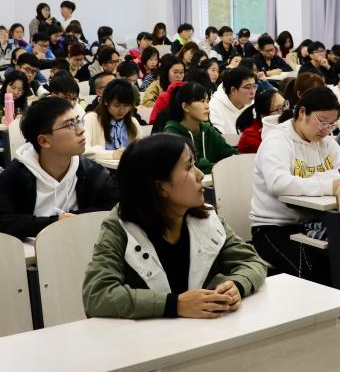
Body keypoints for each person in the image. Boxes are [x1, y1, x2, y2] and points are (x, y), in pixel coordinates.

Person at [82, 134, 266, 319]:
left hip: (207, 330)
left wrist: (237, 285)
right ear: (161, 187)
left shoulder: (206, 217)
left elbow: (252, 262)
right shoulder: (119, 227)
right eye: (189, 167)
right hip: (149, 335)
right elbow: (97, 295)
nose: (200, 175)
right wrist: (174, 304)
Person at [249, 87, 340, 284]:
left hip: (314, 223)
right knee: (314, 270)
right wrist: (329, 185)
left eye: (332, 124)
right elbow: (278, 183)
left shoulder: (325, 141)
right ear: (302, 112)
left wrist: (309, 180)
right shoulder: (277, 140)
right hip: (274, 227)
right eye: (322, 121)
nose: (326, 129)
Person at [0, 96, 117, 238]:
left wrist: (71, 220)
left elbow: (113, 209)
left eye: (78, 121)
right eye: (70, 125)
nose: (81, 130)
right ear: (44, 141)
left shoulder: (91, 172)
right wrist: (55, 222)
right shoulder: (12, 178)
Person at [83, 78, 140, 154]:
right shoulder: (91, 119)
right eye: (117, 105)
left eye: (126, 106)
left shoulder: (133, 122)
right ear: (106, 101)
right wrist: (112, 155)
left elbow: (140, 151)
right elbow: (84, 150)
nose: (122, 110)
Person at [235, 88, 286, 154]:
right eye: (279, 108)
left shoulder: (284, 128)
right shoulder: (250, 137)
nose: (286, 111)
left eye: (285, 105)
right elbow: (278, 154)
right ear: (263, 115)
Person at [207, 68, 256, 136]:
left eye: (254, 86)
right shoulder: (214, 106)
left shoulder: (253, 104)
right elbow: (219, 139)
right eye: (248, 87)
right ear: (233, 90)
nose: (253, 92)